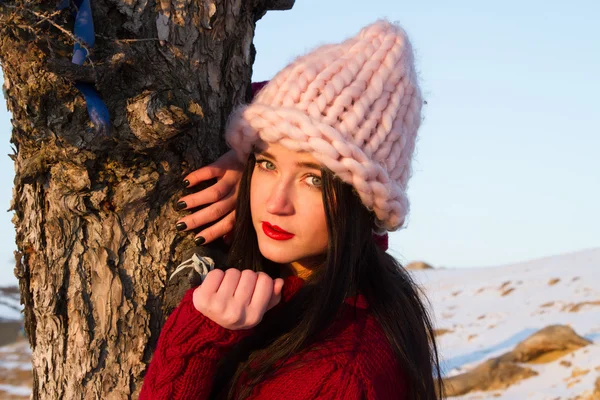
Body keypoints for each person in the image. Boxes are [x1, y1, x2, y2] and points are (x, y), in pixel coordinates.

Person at [140, 20, 442, 400]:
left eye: (313, 179)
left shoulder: (336, 378)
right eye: (267, 165)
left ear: (362, 201)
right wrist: (250, 154)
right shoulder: (354, 293)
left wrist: (193, 345)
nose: (275, 203)